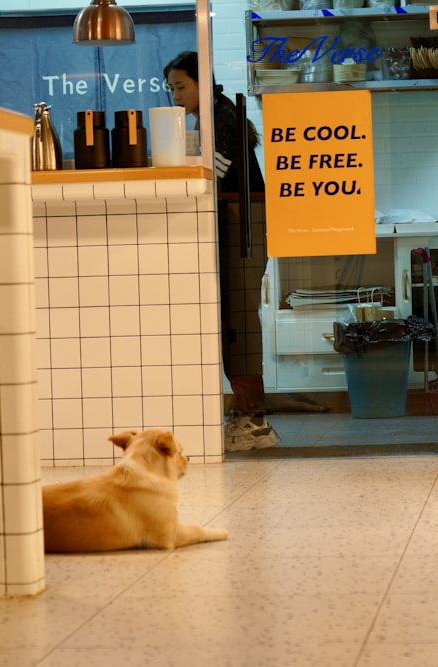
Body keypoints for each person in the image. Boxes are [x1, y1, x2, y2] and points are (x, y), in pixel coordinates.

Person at [164, 51, 277, 452]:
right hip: (243, 223)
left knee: (239, 322)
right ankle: (248, 415)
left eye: (181, 86)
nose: (175, 95)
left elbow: (209, 173)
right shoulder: (216, 114)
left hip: (244, 224)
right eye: (171, 88)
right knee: (237, 319)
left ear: (201, 82)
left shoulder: (219, 117)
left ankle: (252, 419)